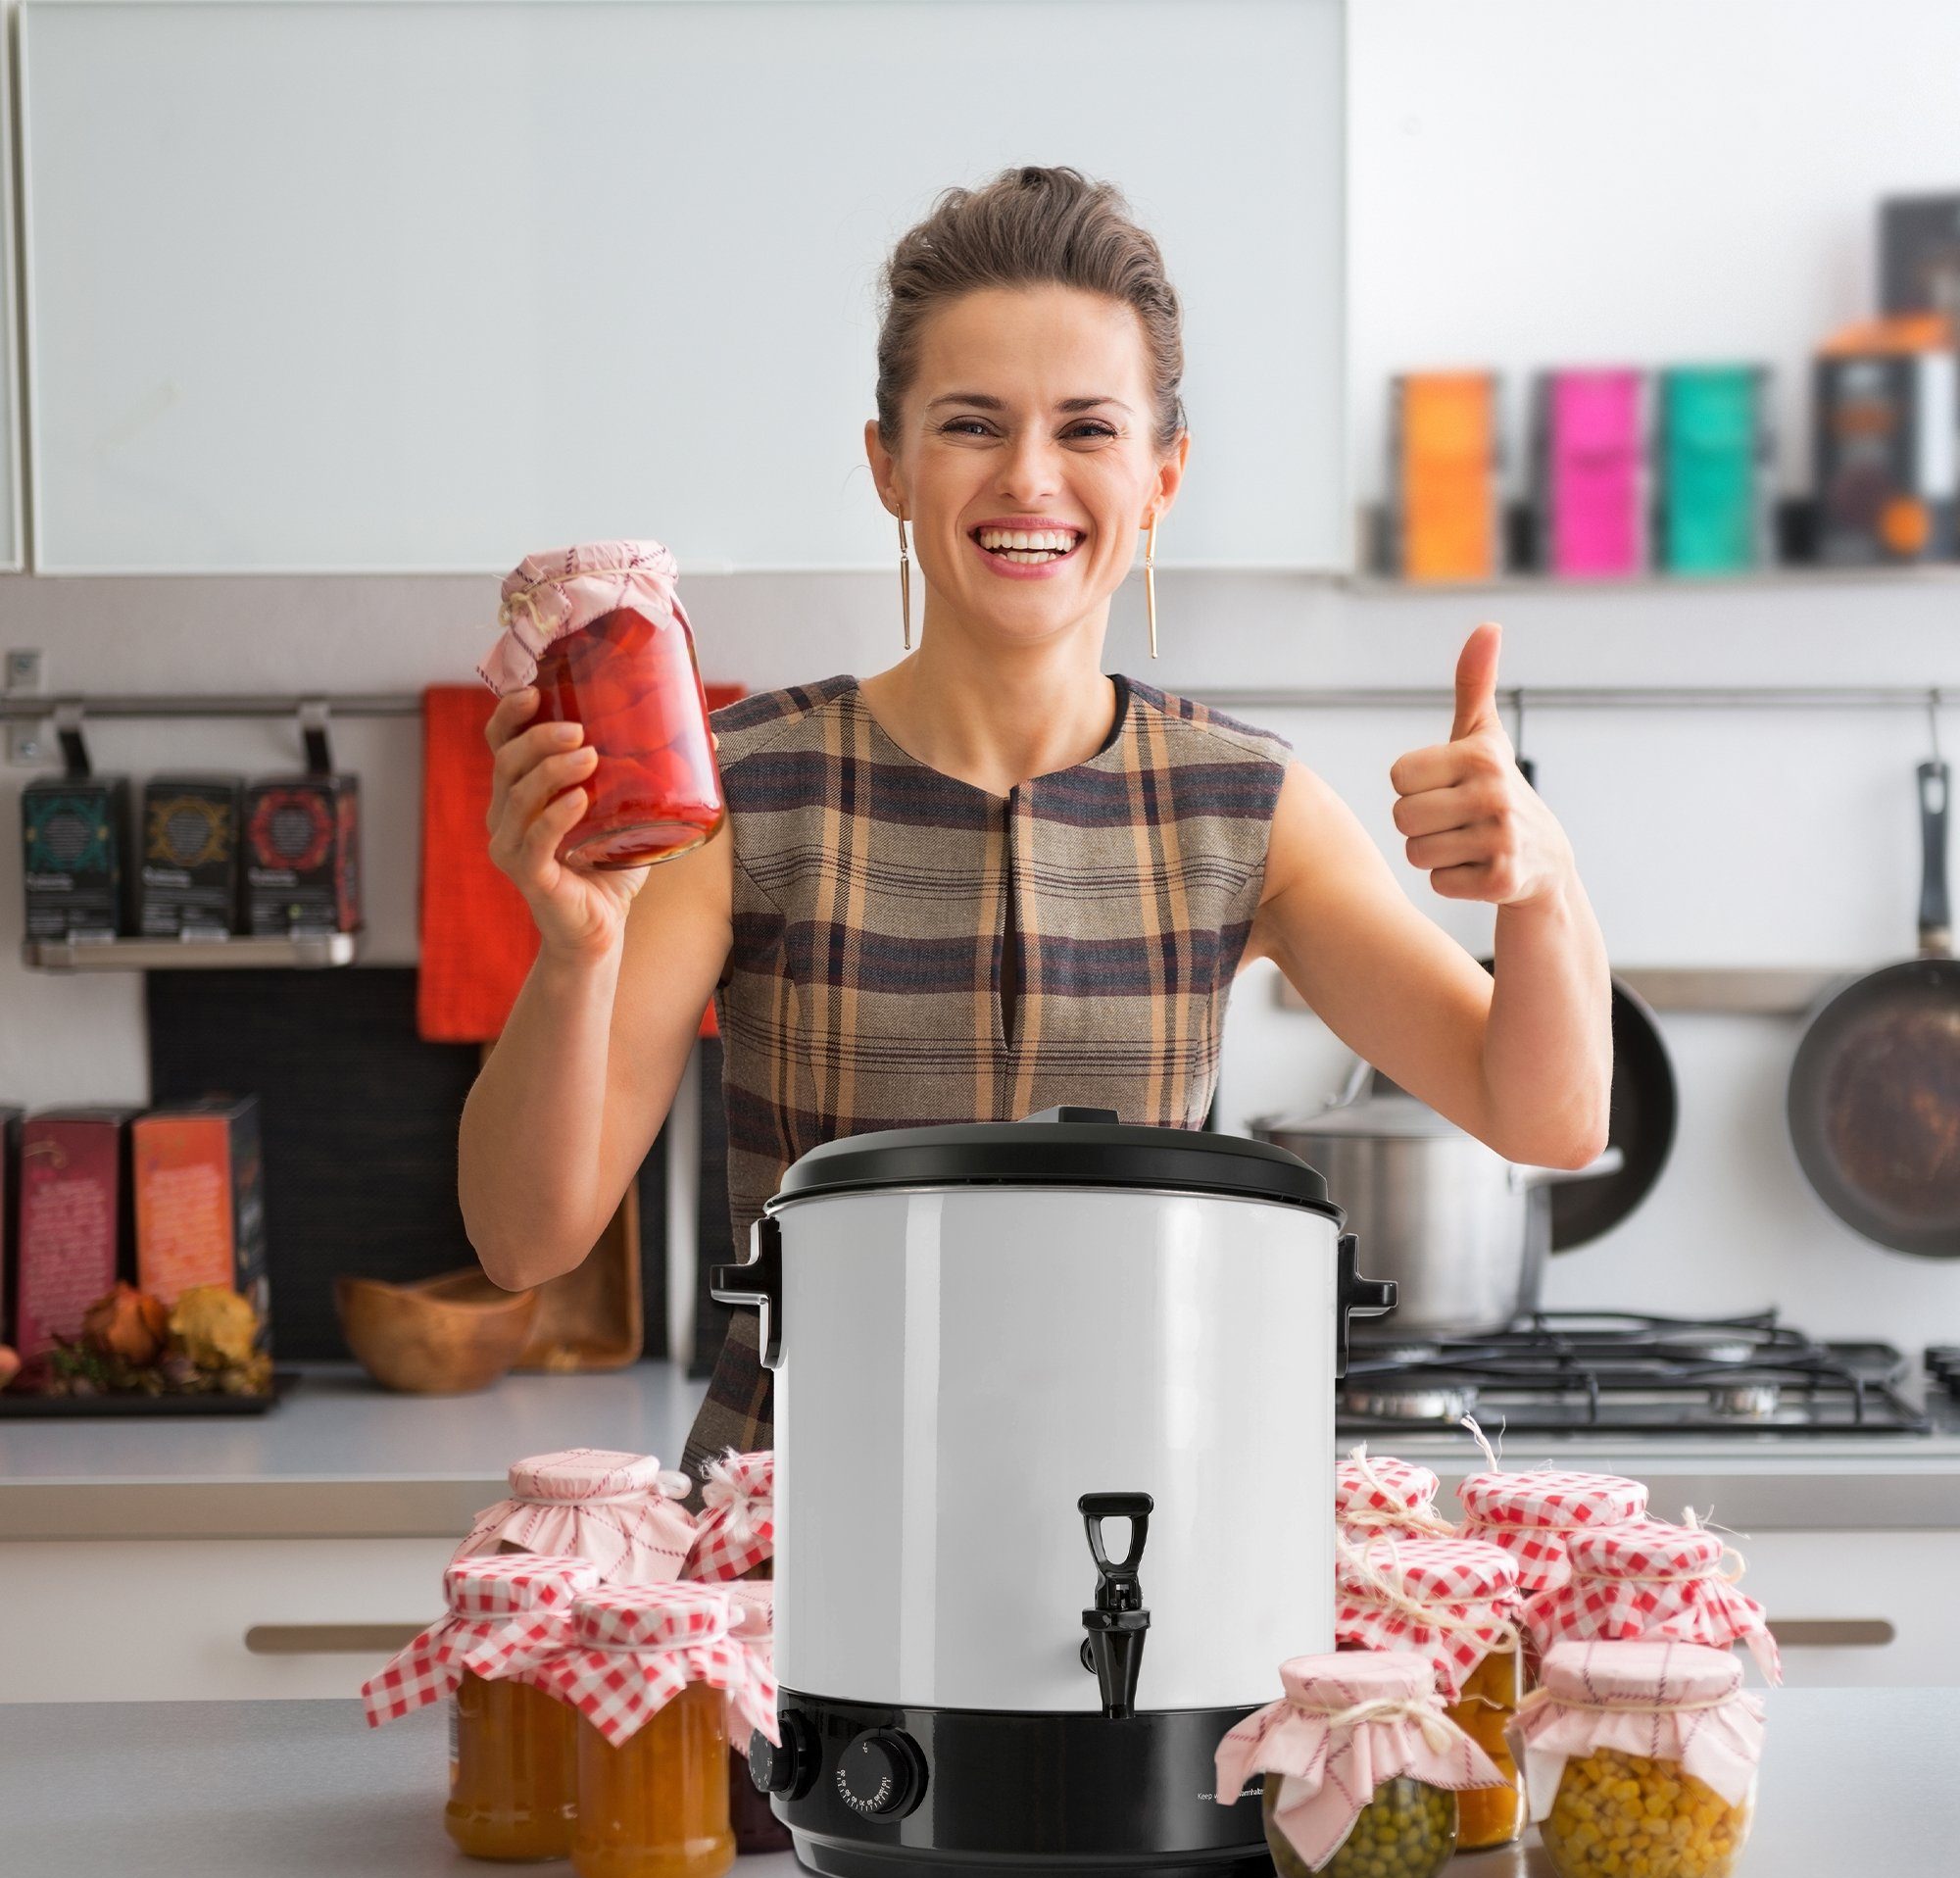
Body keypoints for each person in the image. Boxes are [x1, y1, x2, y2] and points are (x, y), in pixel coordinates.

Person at [459, 165, 1611, 1492]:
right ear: (888, 462)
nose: (1028, 478)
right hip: (794, 1554)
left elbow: (1549, 1118)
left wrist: (1544, 882)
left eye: (1087, 429)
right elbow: (522, 1243)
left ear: (1163, 474)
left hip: (1130, 1551)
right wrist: (574, 955)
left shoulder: (1246, 808)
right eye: (969, 423)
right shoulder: (744, 795)